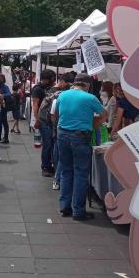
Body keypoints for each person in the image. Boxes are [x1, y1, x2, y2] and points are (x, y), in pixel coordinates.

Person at [52, 73, 106, 221]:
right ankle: (78, 210)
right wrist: (93, 124)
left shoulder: (62, 96)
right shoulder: (90, 98)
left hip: (62, 134)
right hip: (81, 136)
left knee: (66, 170)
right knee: (81, 173)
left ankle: (65, 206)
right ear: (87, 85)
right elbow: (104, 115)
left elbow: (56, 115)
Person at [31, 69, 57, 176]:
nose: (53, 80)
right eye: (52, 78)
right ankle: (45, 166)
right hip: (43, 120)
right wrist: (37, 119)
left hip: (50, 120)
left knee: (50, 143)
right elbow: (35, 105)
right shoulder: (37, 89)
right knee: (47, 144)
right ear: (47, 79)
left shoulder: (49, 88)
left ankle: (49, 164)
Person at [0, 73, 12, 144]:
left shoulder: (4, 87)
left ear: (2, 79)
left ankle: (6, 138)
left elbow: (8, 94)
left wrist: (2, 95)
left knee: (4, 122)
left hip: (3, 108)